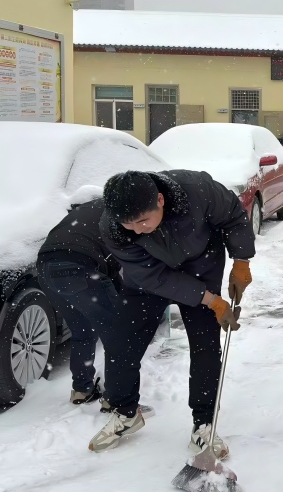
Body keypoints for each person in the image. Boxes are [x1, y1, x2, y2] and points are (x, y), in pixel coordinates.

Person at [91, 169, 255, 454]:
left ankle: (204, 424)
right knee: (121, 344)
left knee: (205, 346)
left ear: (160, 199)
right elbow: (154, 277)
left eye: (143, 220)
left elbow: (233, 215)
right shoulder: (114, 227)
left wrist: (241, 260)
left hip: (202, 265)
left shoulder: (198, 191)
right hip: (148, 280)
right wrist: (211, 301)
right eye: (130, 225)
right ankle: (126, 413)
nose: (138, 229)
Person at [36, 199, 118, 409]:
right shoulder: (124, 212)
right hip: (80, 264)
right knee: (118, 335)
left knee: (82, 331)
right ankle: (116, 398)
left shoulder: (88, 208)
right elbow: (120, 259)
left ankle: (82, 389)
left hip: (46, 267)